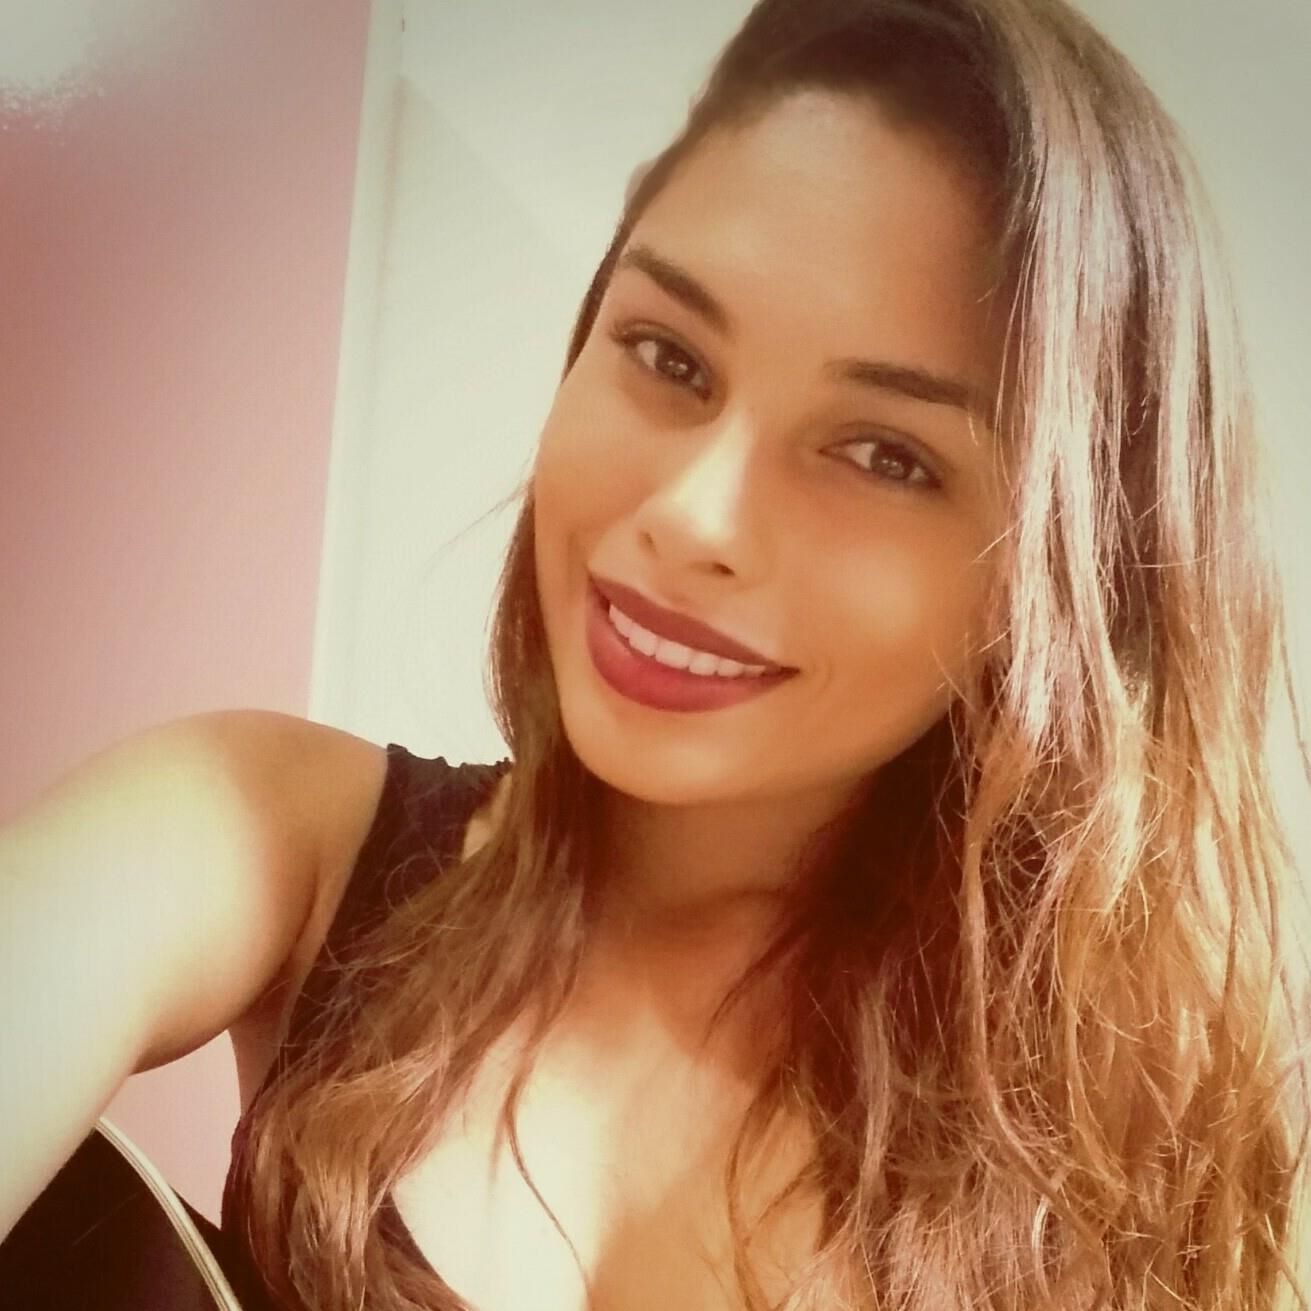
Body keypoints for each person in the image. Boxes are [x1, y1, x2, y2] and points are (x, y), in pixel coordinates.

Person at [3, 0, 1309, 1307]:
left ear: (1055, 577)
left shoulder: (1145, 1139)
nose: (692, 517)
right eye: (668, 355)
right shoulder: (268, 836)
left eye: (885, 454)